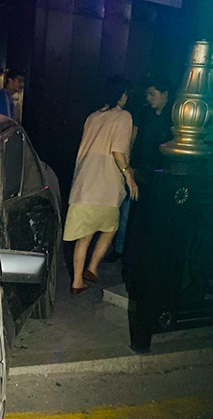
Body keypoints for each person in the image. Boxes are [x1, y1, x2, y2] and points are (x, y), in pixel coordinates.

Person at [62, 76, 139, 295]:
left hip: (84, 183)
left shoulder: (92, 117)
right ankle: (93, 267)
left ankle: (77, 282)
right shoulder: (123, 116)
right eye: (126, 93)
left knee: (84, 237)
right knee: (111, 228)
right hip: (106, 185)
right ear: (121, 94)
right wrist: (129, 176)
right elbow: (118, 151)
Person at [105, 76, 173, 263]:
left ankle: (144, 252)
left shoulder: (174, 114)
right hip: (139, 168)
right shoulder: (143, 113)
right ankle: (120, 249)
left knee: (151, 213)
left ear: (165, 94)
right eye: (147, 95)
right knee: (127, 211)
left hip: (161, 172)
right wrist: (129, 166)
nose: (148, 98)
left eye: (152, 94)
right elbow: (132, 139)